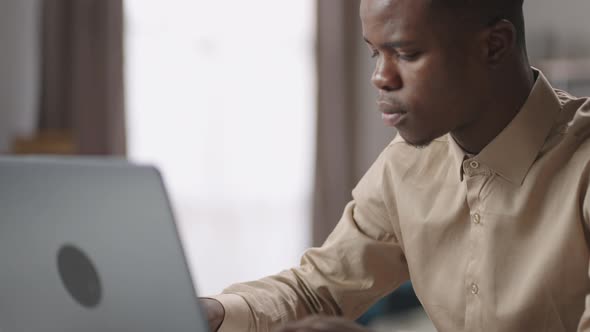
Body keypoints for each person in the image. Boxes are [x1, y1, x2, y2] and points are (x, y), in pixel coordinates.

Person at [200, 0, 590, 330]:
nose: (380, 77)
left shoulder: (582, 168)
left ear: (494, 46)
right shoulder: (405, 167)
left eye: (406, 53)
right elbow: (317, 290)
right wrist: (214, 313)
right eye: (375, 52)